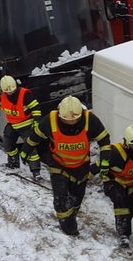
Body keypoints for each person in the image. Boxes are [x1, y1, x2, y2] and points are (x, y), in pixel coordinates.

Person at [24, 96, 111, 236]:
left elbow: (104, 140)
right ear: (59, 114)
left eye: (74, 120)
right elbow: (35, 136)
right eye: (66, 120)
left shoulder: (90, 120)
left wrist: (105, 161)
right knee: (60, 200)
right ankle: (68, 227)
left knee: (77, 199)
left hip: (81, 167)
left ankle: (71, 215)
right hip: (59, 166)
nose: (71, 123)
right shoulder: (50, 120)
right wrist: (26, 150)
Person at [0, 75, 40, 168]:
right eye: (7, 91)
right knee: (7, 144)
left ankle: (36, 172)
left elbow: (35, 108)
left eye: (12, 90)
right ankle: (13, 163)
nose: (10, 92)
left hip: (26, 125)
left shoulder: (25, 94)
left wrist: (36, 122)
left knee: (30, 149)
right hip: (12, 124)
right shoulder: (2, 95)